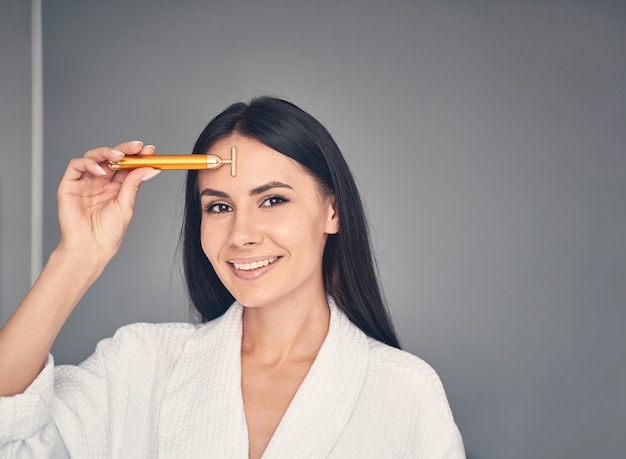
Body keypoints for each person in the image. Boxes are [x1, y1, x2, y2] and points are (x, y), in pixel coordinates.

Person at [0, 97, 465, 458]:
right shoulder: (138, 364)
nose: (241, 235)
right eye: (219, 207)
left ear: (332, 210)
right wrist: (77, 255)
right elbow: (11, 438)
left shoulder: (404, 393)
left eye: (273, 200)